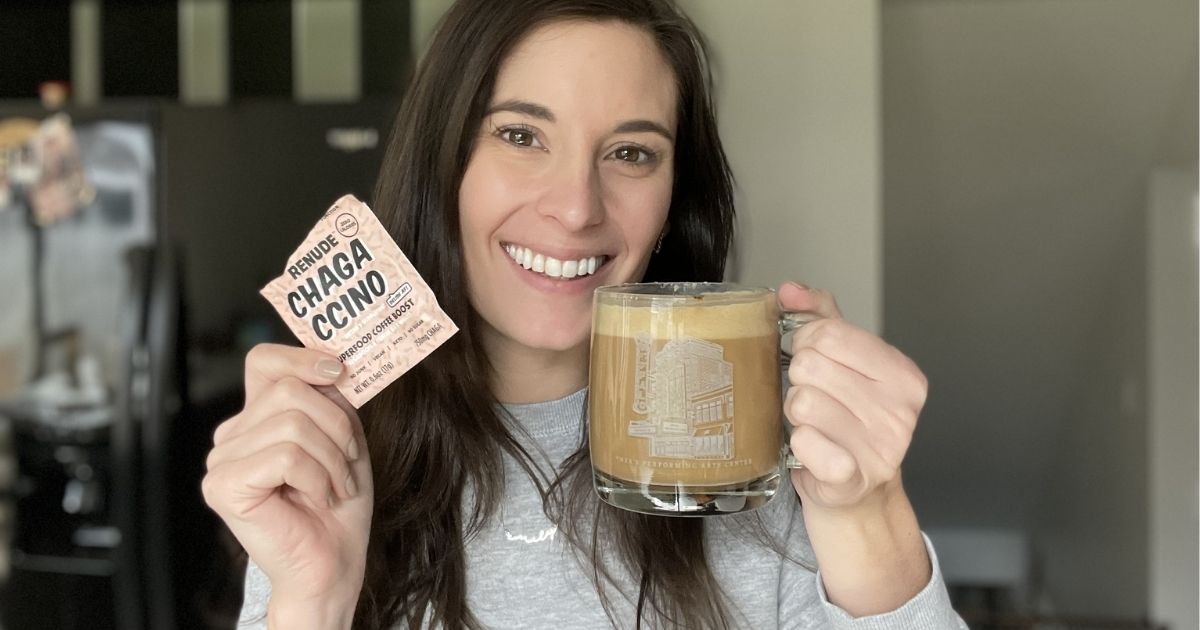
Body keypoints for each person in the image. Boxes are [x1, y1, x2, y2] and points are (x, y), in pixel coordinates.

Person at [202, 0, 968, 628]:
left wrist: (869, 514)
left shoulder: (759, 442)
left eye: (631, 153)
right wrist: (314, 601)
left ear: (675, 201)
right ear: (444, 166)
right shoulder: (338, 457)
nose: (575, 208)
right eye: (520, 135)